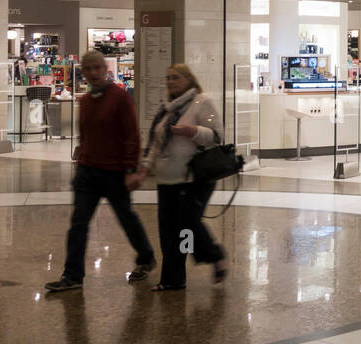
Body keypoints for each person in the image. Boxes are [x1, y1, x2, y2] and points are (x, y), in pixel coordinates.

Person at [45, 50, 155, 293]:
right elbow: (85, 136)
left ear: (105, 69)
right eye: (88, 69)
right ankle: (72, 275)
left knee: (126, 217)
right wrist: (80, 161)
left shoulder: (120, 97)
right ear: (83, 72)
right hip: (88, 172)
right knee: (78, 224)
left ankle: (146, 256)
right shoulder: (84, 101)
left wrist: (131, 169)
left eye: (97, 68)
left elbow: (132, 136)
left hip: (114, 172)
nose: (93, 73)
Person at [135, 64, 227, 291]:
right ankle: (173, 279)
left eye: (175, 77)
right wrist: (145, 167)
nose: (170, 81)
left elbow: (217, 137)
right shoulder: (167, 109)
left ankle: (215, 256)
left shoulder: (202, 102)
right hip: (167, 179)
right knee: (169, 232)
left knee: (187, 225)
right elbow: (156, 144)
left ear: (188, 79)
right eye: (167, 78)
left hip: (193, 178)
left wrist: (192, 131)